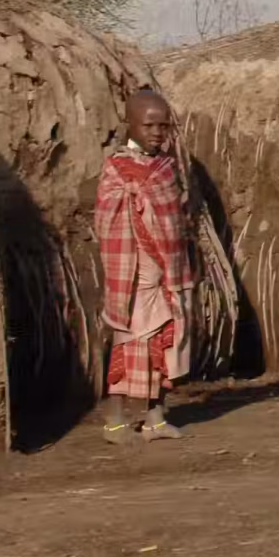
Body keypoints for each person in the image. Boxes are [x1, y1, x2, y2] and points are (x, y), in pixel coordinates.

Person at [95, 91, 197, 445]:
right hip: (134, 275)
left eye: (163, 125)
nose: (157, 131)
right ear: (130, 125)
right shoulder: (116, 169)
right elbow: (106, 220)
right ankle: (114, 423)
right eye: (148, 124)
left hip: (166, 273)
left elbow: (177, 220)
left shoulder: (167, 167)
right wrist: (134, 198)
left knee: (164, 344)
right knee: (130, 342)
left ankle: (155, 420)